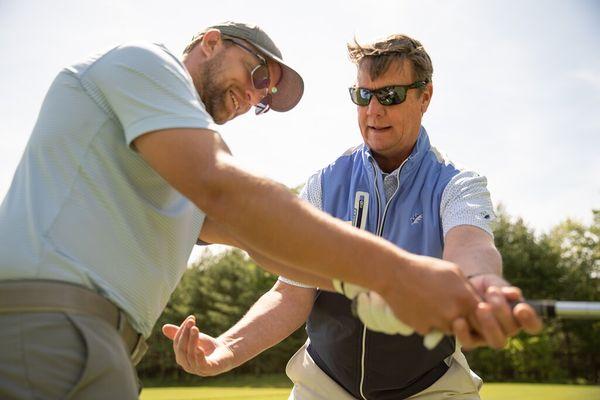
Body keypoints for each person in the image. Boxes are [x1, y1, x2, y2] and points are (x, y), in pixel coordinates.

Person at [0, 22, 493, 399]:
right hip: (52, 320)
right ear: (211, 43)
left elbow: (268, 245)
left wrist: (371, 281)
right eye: (259, 75)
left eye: (265, 97)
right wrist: (394, 273)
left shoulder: (175, 168)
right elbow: (234, 197)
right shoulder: (144, 62)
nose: (256, 96)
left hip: (102, 341)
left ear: (425, 97)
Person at [163, 34, 543, 399]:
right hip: (325, 383)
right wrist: (226, 349)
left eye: (390, 96)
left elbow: (472, 246)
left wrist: (483, 284)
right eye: (363, 96)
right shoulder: (324, 183)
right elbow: (292, 292)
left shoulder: (458, 184)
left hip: (431, 386)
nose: (373, 111)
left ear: (425, 96)